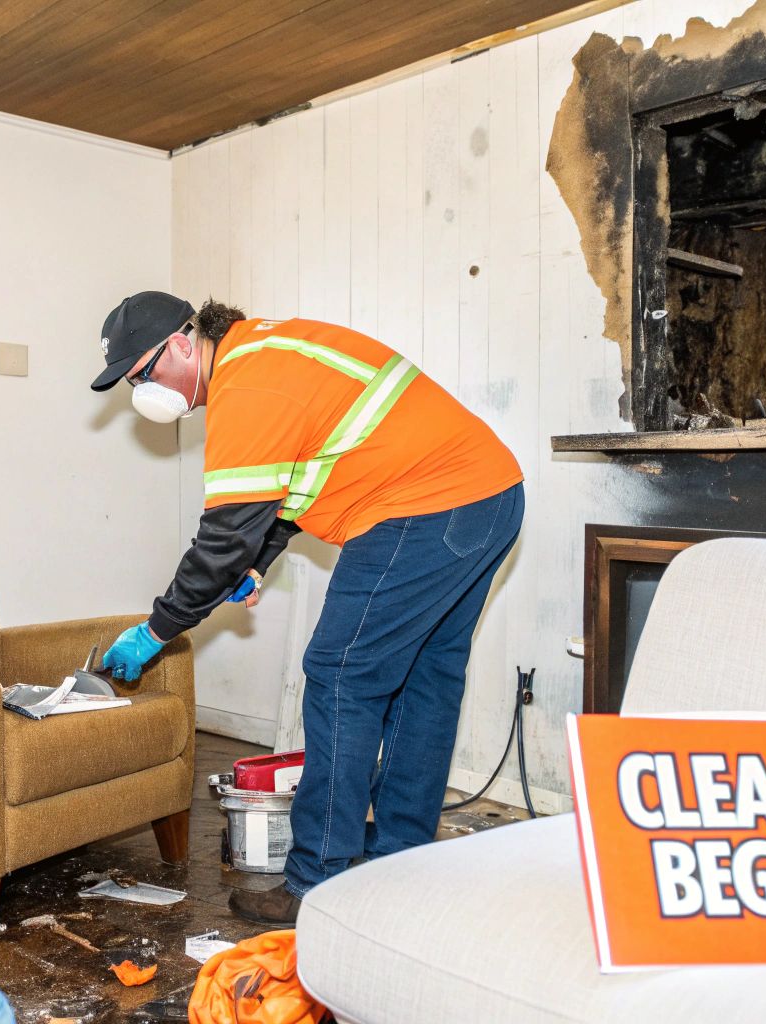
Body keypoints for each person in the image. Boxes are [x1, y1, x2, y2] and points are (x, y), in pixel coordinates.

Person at [89, 290, 523, 926]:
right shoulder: (263, 348)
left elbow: (222, 538)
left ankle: (317, 880)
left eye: (144, 375)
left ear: (182, 344)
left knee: (340, 676)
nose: (144, 395)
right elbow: (293, 486)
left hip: (423, 509)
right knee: (427, 680)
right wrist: (258, 562)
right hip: (488, 495)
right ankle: (399, 858)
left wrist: (156, 631)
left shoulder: (247, 387)